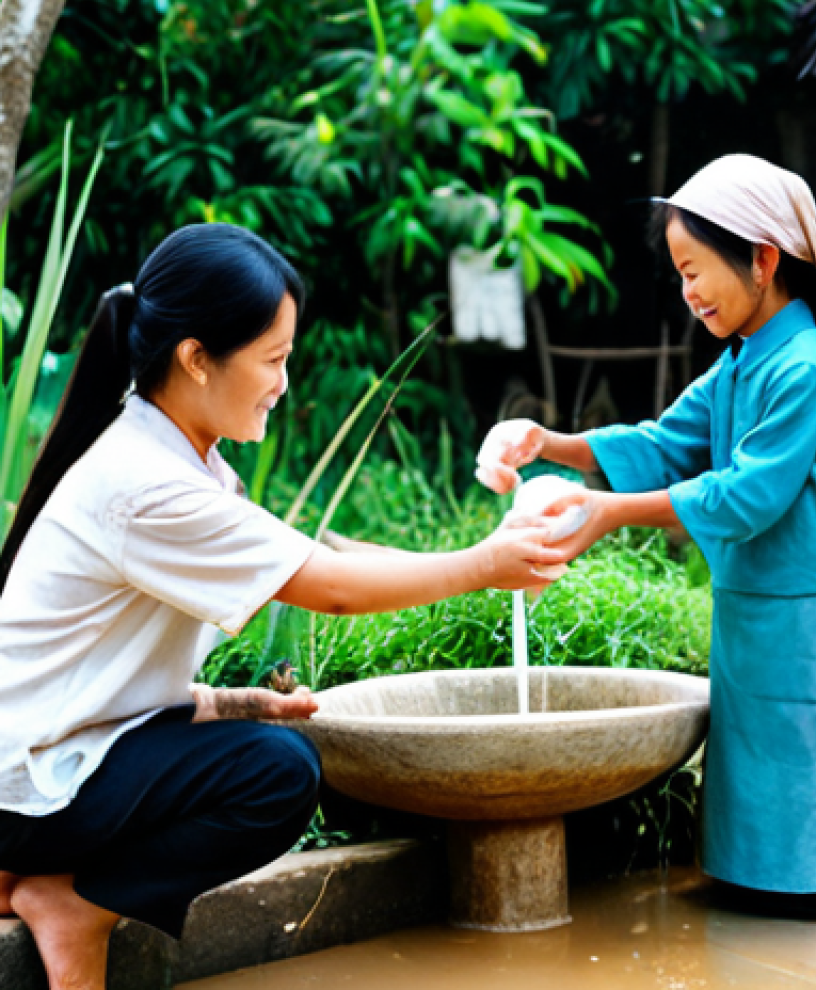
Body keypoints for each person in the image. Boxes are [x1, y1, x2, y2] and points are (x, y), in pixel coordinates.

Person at [0, 224, 568, 990]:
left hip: (47, 761)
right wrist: (484, 566)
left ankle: (47, 879)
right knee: (277, 775)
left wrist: (230, 701)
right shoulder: (149, 482)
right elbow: (330, 589)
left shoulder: (178, 455)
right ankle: (74, 903)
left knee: (264, 744)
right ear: (196, 359)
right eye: (273, 359)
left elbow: (321, 558)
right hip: (27, 789)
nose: (284, 382)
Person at [476, 155, 816, 918]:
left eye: (696, 271)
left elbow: (749, 494)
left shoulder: (807, 367)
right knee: (768, 765)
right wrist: (547, 440)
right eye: (679, 274)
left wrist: (609, 512)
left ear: (762, 260)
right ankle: (770, 889)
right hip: (762, 594)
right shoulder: (742, 361)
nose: (688, 293)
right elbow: (661, 441)